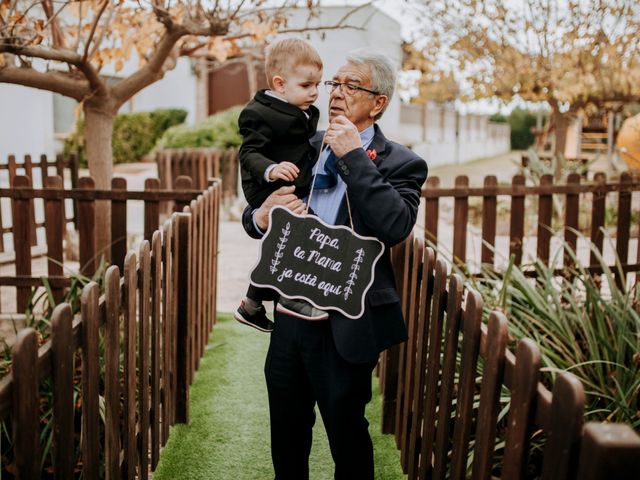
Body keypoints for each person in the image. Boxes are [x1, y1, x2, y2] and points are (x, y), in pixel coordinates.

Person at [242, 49, 428, 480]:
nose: (336, 94)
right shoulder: (304, 147)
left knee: (346, 433)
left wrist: (353, 157)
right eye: (334, 84)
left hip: (347, 321)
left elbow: (395, 224)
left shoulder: (403, 162)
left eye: (351, 86)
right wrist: (261, 215)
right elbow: (256, 211)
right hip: (289, 316)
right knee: (286, 433)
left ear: (378, 102)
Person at [234, 38, 325, 333]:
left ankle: (252, 303)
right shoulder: (258, 112)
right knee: (301, 230)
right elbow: (248, 153)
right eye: (306, 85)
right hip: (268, 186)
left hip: (292, 182)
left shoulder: (303, 109)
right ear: (280, 83)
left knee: (285, 238)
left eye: (317, 85)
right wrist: (271, 170)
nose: (314, 92)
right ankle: (291, 297)